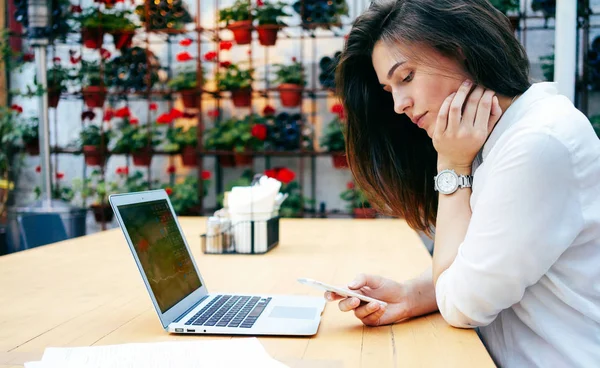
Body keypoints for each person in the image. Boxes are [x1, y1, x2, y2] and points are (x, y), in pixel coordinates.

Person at [326, 0, 600, 366]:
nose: (399, 104)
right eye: (390, 89)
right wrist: (411, 295)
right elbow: (481, 259)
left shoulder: (538, 143)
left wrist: (452, 166)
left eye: (406, 77)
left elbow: (463, 306)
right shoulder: (501, 134)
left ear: (461, 50)